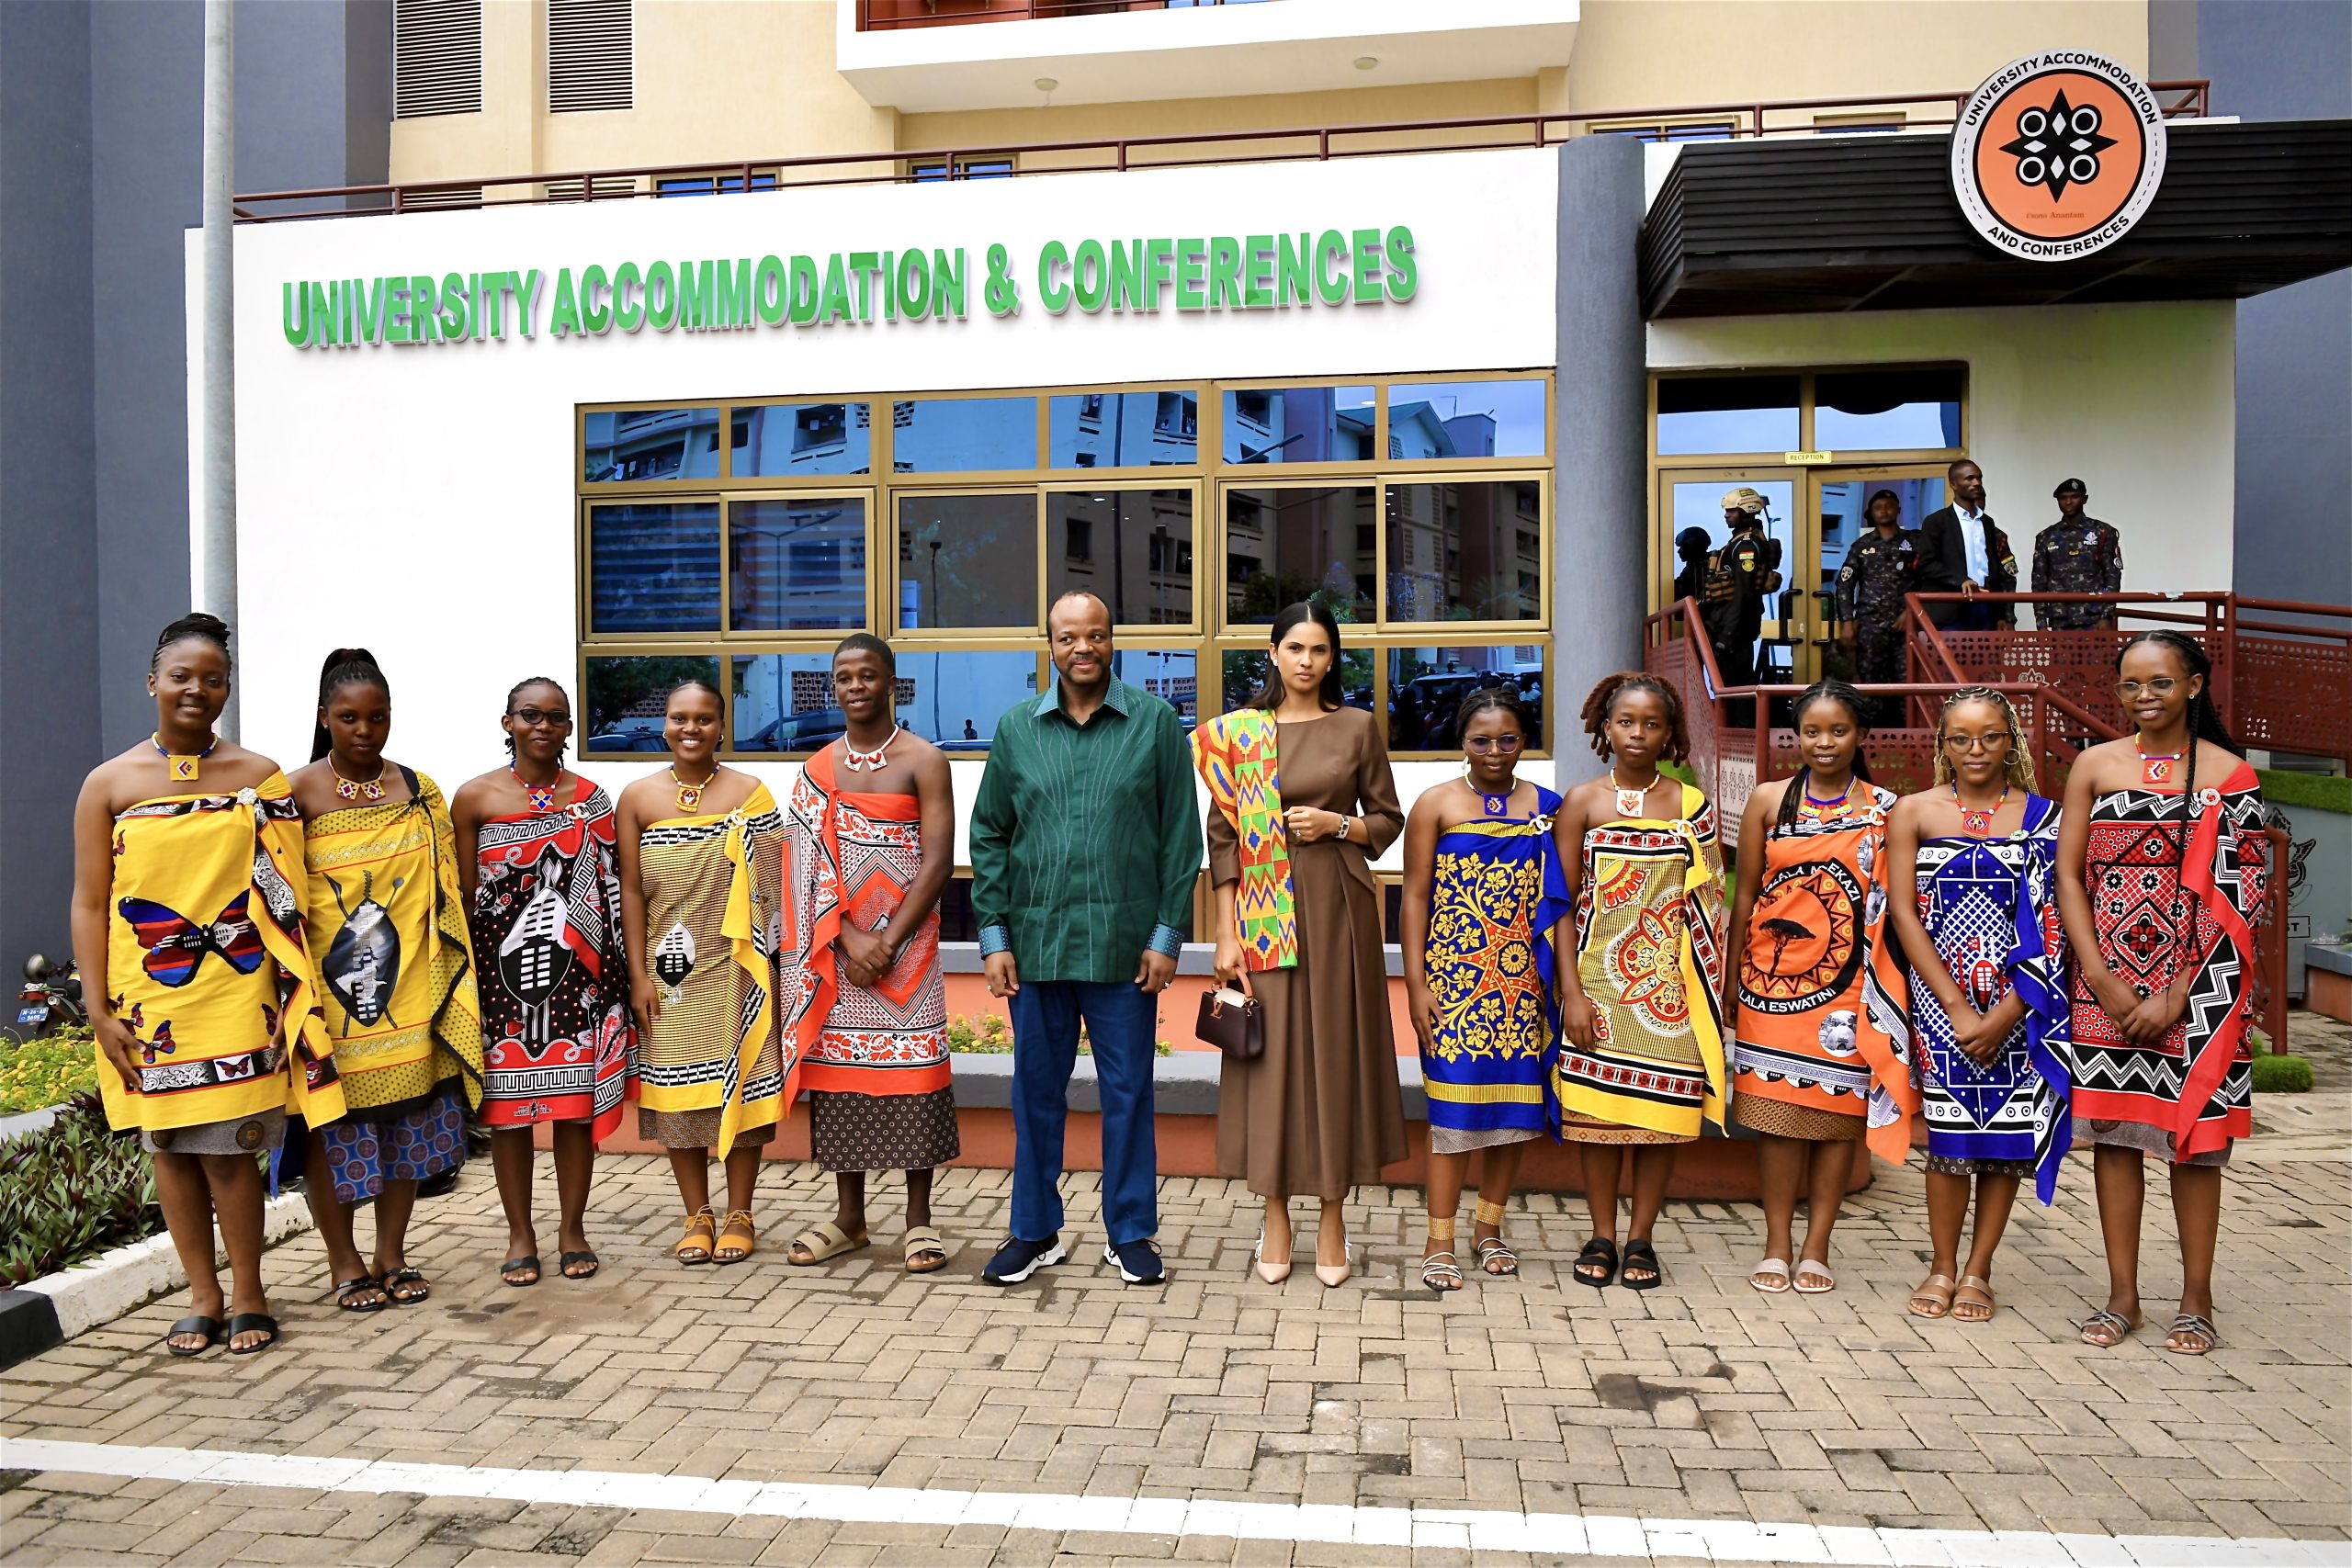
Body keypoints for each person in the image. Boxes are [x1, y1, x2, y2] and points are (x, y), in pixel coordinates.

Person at [72, 614, 346, 1356]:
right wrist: (97, 1009)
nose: (197, 689)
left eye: (213, 678)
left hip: (240, 993)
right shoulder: (108, 784)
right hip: (149, 1000)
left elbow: (289, 892)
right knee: (170, 1148)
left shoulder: (261, 776)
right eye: (181, 676)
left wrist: (296, 996)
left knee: (231, 1148)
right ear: (152, 683)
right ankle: (203, 1294)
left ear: (227, 688)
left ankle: (249, 1292)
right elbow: (91, 902)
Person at [970, 591, 1200, 1288]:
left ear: (1112, 640)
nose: (1083, 648)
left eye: (1095, 635)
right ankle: (1034, 1230)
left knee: (1128, 1093)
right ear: (1050, 646)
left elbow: (1180, 840)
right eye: (1068, 637)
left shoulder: (1155, 724)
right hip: (1035, 946)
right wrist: (993, 935)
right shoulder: (1016, 729)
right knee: (1034, 1094)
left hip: (1125, 949)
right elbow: (989, 834)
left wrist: (1166, 937)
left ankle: (1129, 1233)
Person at [2060, 631, 2267, 1357]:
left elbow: (2243, 895)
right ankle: (2123, 1295)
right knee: (2114, 1139)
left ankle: (2196, 1298)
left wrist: (2179, 993)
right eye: (2130, 684)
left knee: (2195, 1145)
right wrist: (2101, 979)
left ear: (2194, 685)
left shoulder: (2231, 775)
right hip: (2106, 985)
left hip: (2201, 990)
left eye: (2160, 682)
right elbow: (2068, 876)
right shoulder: (2094, 764)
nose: (2143, 696)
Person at [1204, 600, 1406, 1287]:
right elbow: (1223, 840)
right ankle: (1275, 1213)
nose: (1307, 661)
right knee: (1272, 1056)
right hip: (1262, 916)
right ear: (1272, 652)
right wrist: (1226, 933)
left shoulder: (1356, 726)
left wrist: (1336, 824)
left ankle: (1332, 1214)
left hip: (1338, 909)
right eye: (1295, 648)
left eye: (1319, 650)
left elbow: (1388, 819)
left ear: (1332, 657)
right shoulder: (1241, 733)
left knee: (1335, 1054)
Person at [289, 649, 483, 1313]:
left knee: (409, 1129)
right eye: (349, 717)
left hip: (412, 990)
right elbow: (278, 898)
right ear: (325, 718)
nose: (365, 730)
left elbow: (446, 892)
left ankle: (391, 1253)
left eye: (377, 717)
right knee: (334, 1132)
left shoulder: (420, 790)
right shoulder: (293, 794)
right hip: (329, 999)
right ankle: (344, 1262)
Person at [1884, 688, 2070, 1325]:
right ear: (1943, 744)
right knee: (1949, 1135)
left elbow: (2055, 922)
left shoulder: (2045, 817)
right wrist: (1958, 1009)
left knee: (2007, 1137)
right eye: (1961, 738)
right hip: (1942, 1006)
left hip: (2023, 1003)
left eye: (1991, 736)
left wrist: (2009, 1011)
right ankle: (1942, 1264)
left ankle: (1978, 1270)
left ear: (2010, 742)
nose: (1976, 750)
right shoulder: (1915, 810)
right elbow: (1903, 913)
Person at [1724, 678, 1916, 1295]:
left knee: (1838, 1118)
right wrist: (1731, 977)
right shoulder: (1769, 800)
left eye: (1838, 730)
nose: (1824, 742)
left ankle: (1817, 1247)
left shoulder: (1889, 808)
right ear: (1797, 736)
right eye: (1812, 731)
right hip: (1770, 982)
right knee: (1776, 1115)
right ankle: (1777, 1243)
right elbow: (1744, 895)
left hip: (1854, 986)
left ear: (1861, 735)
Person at [779, 635, 958, 1275]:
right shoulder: (816, 769)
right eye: (844, 677)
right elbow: (802, 865)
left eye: (868, 675)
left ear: (891, 682)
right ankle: (850, 1219)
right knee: (842, 1081)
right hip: (840, 953)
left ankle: (918, 1219)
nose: (855, 686)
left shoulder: (925, 759)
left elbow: (939, 860)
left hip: (910, 954)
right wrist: (850, 940)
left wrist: (889, 942)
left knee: (915, 1077)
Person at [452, 678, 634, 1287]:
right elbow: (462, 897)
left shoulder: (592, 799)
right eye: (530, 714)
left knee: (575, 1110)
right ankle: (520, 1234)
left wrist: (619, 982)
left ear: (570, 728)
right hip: (500, 977)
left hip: (580, 978)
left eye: (557, 717)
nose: (543, 726)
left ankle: (572, 1230)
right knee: (509, 1115)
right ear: (507, 722)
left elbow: (613, 891)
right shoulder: (475, 797)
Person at [1554, 673, 1727, 1292]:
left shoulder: (1690, 805)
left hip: (1670, 992)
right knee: (1598, 1121)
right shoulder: (1581, 801)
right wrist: (1572, 993)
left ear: (1669, 733)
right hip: (1596, 987)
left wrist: (1708, 989)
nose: (1637, 733)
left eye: (1652, 724)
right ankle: (1602, 1234)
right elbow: (1561, 905)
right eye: (1626, 721)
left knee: (1661, 1121)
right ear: (1606, 727)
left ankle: (1642, 1238)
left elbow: (1711, 901)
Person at [616, 679, 788, 1269]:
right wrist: (638, 975)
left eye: (704, 719)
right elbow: (631, 892)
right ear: (664, 724)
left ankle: (740, 1212)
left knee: (742, 1082)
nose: (691, 729)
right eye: (679, 718)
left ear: (722, 726)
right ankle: (697, 1214)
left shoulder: (752, 795)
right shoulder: (637, 797)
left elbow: (773, 889)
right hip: (669, 974)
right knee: (676, 1094)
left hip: (738, 967)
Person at [1398, 687, 1565, 1292]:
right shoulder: (1435, 803)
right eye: (1481, 740)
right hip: (1455, 983)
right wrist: (1416, 984)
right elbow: (1414, 897)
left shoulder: (1547, 805)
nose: (1495, 751)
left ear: (1525, 741)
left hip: (1523, 984)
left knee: (1514, 1111)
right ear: (1462, 742)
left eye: (1508, 739)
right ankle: (1438, 1240)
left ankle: (1488, 1228)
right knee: (1454, 1111)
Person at [1834, 488, 1920, 719]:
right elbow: (1844, 584)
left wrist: (1911, 611)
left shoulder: (1914, 542)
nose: (1884, 511)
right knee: (1871, 684)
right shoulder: (1861, 546)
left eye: (1889, 506)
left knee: (1908, 683)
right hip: (1870, 625)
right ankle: (1873, 735)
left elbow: (1927, 581)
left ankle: (1909, 734)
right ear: (1871, 513)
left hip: (1906, 626)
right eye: (1878, 507)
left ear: (1898, 510)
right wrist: (1847, 623)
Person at [1696, 489, 1782, 688]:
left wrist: (1727, 635)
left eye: (1732, 511)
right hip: (1731, 627)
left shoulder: (1746, 546)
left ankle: (1743, 713)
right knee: (1727, 686)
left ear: (1746, 511)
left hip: (1734, 632)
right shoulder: (1739, 541)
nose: (1726, 515)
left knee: (1736, 688)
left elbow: (1744, 593)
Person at [1917, 460, 2017, 632]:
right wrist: (1961, 581)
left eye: (1979, 478)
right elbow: (1926, 564)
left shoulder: (1987, 523)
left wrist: (2001, 614)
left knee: (1989, 651)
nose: (1976, 482)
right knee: (1951, 651)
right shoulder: (1936, 521)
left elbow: (1995, 570)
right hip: (1952, 608)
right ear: (1953, 484)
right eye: (1969, 478)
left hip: (1986, 607)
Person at [2030, 479, 2124, 632]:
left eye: (2074, 497)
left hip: (2095, 618)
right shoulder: (2046, 537)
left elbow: (2112, 576)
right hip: (2060, 619)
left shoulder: (2103, 532)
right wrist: (2041, 624)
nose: (2068, 502)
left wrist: (2106, 616)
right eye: (2063, 498)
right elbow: (2039, 582)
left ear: (2084, 499)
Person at [1671, 526, 1713, 610]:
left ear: (1693, 547)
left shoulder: (1707, 567)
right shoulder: (1690, 568)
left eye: (1683, 547)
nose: (1679, 551)